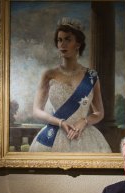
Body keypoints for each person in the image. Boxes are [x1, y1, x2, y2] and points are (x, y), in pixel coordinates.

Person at [29, 17, 111, 153]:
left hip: (84, 135)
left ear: (78, 44)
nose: (62, 44)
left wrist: (84, 121)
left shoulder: (91, 76)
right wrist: (60, 122)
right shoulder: (49, 74)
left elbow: (99, 113)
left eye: (68, 39)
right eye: (60, 40)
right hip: (55, 133)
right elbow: (37, 111)